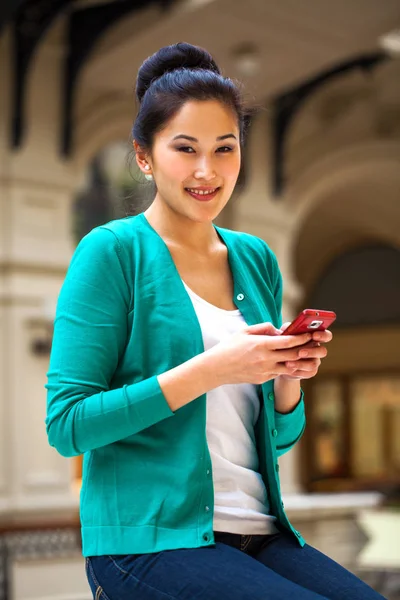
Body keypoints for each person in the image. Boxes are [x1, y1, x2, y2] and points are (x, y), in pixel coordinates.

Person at [45, 42, 385, 600]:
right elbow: (68, 425)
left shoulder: (255, 259)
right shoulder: (111, 252)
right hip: (147, 544)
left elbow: (274, 443)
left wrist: (286, 377)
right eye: (185, 149)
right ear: (144, 156)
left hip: (262, 533)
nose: (207, 171)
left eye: (224, 149)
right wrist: (213, 369)